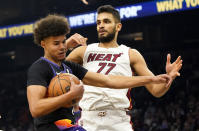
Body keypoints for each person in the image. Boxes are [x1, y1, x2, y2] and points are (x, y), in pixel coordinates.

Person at [27, 14, 171, 131]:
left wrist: (151, 79)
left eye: (63, 42)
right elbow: (35, 108)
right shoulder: (39, 68)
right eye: (56, 43)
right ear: (43, 44)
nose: (62, 47)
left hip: (70, 126)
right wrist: (70, 96)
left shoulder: (69, 67)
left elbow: (109, 81)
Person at [66, 5, 182, 131]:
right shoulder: (83, 51)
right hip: (88, 120)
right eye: (98, 22)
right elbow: (51, 69)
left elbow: (156, 90)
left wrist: (170, 77)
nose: (101, 26)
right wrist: (66, 45)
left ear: (118, 26)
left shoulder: (131, 54)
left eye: (106, 21)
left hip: (118, 121)